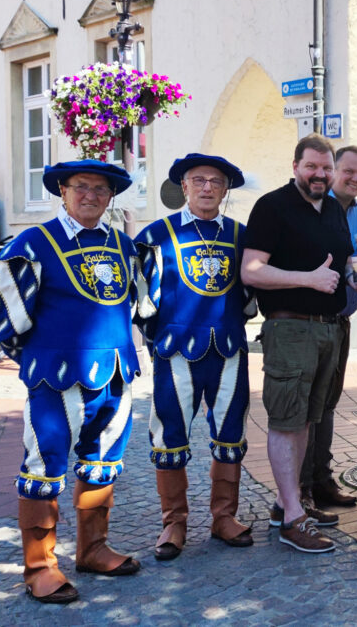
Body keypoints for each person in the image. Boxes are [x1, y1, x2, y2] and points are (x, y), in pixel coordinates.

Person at [0, 160, 141, 603]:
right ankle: (39, 567)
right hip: (55, 376)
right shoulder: (33, 243)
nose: (91, 195)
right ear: (63, 191)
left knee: (103, 460)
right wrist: (36, 356)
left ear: (111, 197)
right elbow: (2, 312)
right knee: (44, 462)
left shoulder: (125, 247)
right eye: (81, 187)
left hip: (115, 371)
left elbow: (139, 304)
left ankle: (92, 549)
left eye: (100, 189)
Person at [241, 134, 357, 553]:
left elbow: (340, 261)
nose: (320, 174)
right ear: (296, 165)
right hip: (290, 327)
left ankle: (287, 503)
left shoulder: (332, 207)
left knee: (309, 420)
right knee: (287, 421)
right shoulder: (272, 206)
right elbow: (251, 270)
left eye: (326, 168)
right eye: (312, 166)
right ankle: (292, 519)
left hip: (330, 328)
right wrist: (307, 279)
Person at [134, 154, 255, 562]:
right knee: (169, 436)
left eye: (216, 181)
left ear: (225, 189)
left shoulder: (242, 236)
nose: (207, 187)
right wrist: (156, 341)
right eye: (198, 180)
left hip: (228, 350)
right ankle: (175, 521)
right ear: (183, 187)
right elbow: (141, 298)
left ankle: (224, 517)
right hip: (175, 353)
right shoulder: (156, 235)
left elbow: (251, 293)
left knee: (230, 433)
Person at [301, 145, 357, 510]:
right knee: (305, 409)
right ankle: (300, 491)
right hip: (308, 323)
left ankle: (322, 481)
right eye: (349, 171)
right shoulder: (312, 206)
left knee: (328, 404)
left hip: (341, 319)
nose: (355, 179)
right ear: (333, 172)